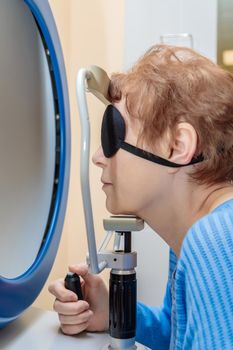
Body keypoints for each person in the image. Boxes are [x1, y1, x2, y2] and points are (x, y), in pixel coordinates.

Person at [48, 44, 233, 349]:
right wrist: (112, 312)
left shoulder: (215, 239)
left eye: (113, 133)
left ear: (176, 146)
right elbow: (178, 333)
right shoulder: (193, 241)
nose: (97, 157)